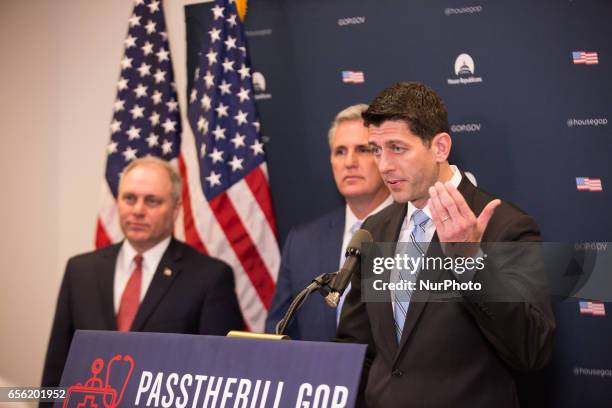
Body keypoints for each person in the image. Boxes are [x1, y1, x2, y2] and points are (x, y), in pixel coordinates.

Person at [336, 82, 555, 407]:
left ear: (439, 147)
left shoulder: (504, 226)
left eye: (397, 148)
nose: (384, 166)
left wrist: (471, 264)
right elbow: (357, 347)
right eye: (376, 150)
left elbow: (533, 349)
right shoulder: (375, 230)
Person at [41, 157, 244, 389]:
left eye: (152, 201)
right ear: (117, 202)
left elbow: (220, 375)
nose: (138, 210)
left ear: (176, 209)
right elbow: (57, 367)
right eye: (129, 198)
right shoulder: (80, 271)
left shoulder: (210, 277)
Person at [265, 104, 392, 340]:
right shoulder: (302, 242)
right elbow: (278, 331)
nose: (349, 162)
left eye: (363, 150)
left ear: (385, 158)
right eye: (340, 151)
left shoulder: (416, 232)